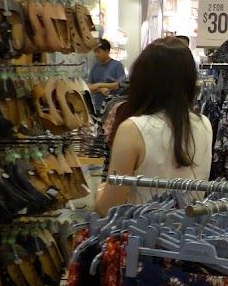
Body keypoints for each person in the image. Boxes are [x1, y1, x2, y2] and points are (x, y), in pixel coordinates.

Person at [95, 37, 212, 216]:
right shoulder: (204, 124)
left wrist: (100, 192)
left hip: (142, 236)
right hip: (191, 235)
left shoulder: (133, 129)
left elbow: (109, 208)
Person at [87, 38, 126, 113]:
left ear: (107, 51)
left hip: (113, 108)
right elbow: (89, 86)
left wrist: (99, 84)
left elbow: (121, 85)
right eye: (94, 52)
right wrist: (101, 89)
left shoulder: (117, 65)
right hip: (97, 107)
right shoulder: (95, 66)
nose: (96, 55)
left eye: (98, 52)